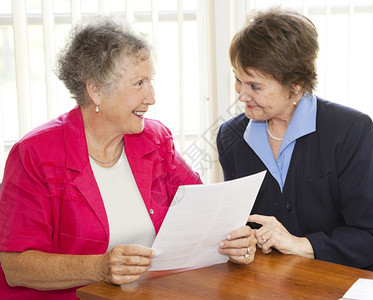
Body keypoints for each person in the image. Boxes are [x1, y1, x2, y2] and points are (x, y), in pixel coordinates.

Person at [0, 17, 256, 299]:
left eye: (150, 81)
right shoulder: (35, 154)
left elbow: (205, 213)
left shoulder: (156, 140)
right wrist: (100, 267)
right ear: (95, 90)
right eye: (139, 84)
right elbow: (16, 266)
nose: (152, 97)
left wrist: (234, 240)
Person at [216, 6, 373, 280]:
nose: (241, 95)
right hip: (283, 279)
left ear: (296, 84)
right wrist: (241, 244)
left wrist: (300, 244)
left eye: (256, 86)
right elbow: (242, 225)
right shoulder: (232, 137)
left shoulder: (349, 130)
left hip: (365, 276)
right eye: (238, 80)